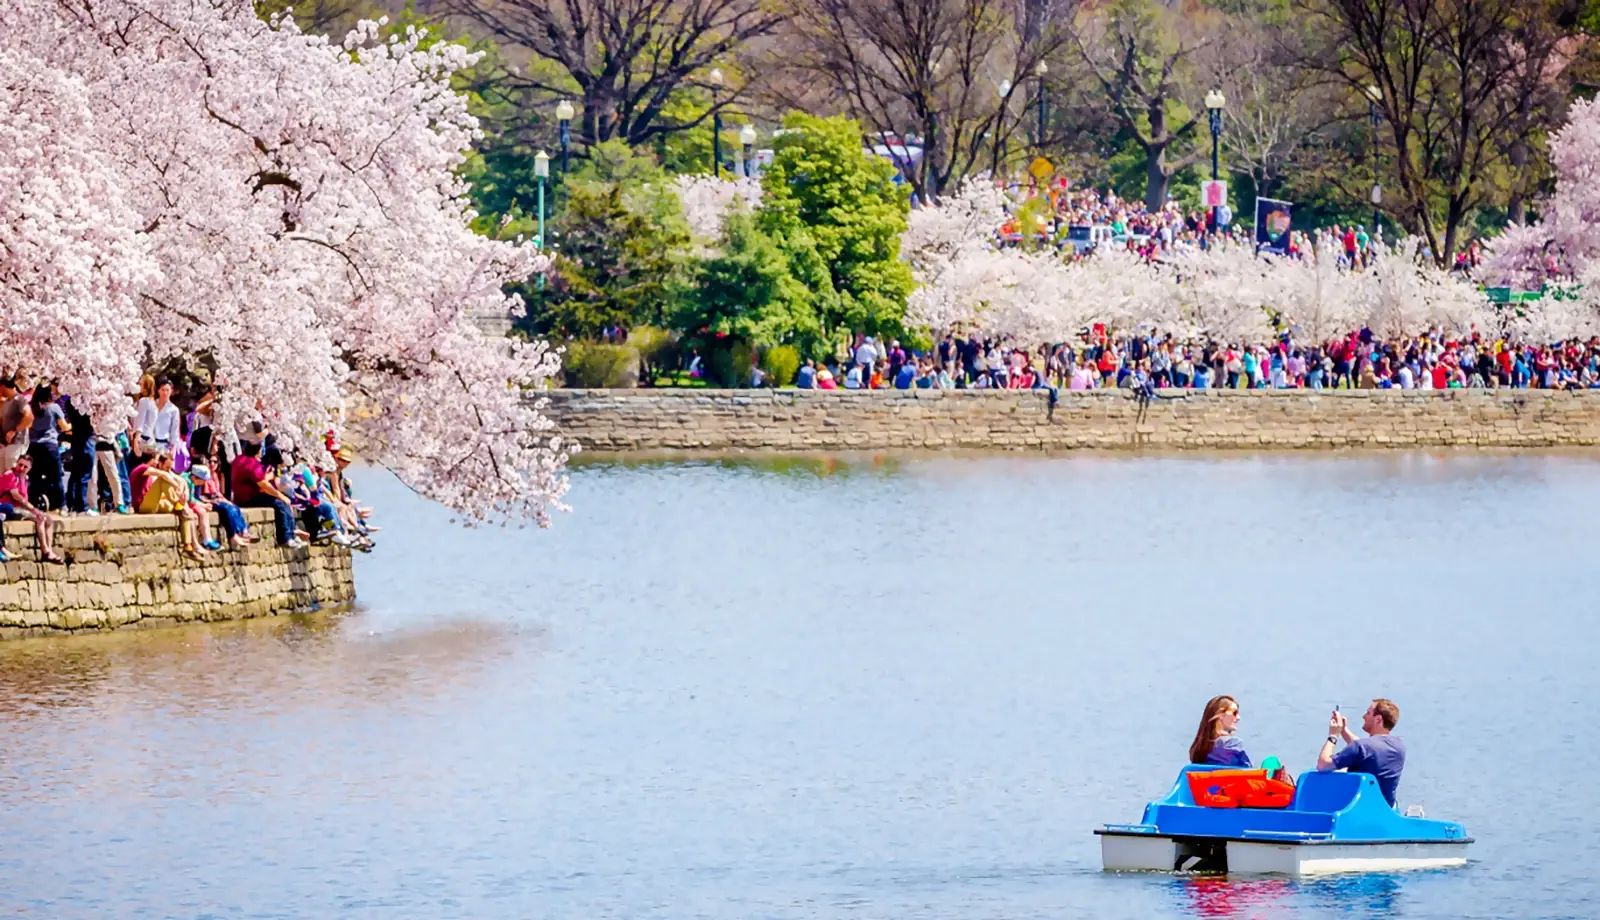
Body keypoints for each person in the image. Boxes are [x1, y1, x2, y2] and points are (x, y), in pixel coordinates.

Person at [1317, 699, 1406, 807]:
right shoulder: (1399, 746)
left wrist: (1333, 735)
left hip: (1358, 809)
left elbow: (1322, 765)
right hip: (1385, 809)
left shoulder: (1362, 747)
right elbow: (1367, 749)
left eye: (1368, 713)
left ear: (1378, 719)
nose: (1364, 716)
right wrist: (1343, 730)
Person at [231, 440, 305, 548]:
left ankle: (292, 534)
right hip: (248, 498)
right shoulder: (252, 464)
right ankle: (285, 538)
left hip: (243, 496)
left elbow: (258, 479)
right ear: (257, 451)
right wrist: (281, 495)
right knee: (280, 503)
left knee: (284, 503)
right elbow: (264, 485)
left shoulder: (239, 459)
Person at [0, 455, 63, 563]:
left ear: (29, 468)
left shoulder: (25, 479)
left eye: (25, 467)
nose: (22, 468)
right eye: (20, 465)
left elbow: (24, 499)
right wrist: (34, 510)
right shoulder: (9, 475)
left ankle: (50, 550)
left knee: (48, 519)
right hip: (8, 509)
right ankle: (45, 551)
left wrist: (34, 510)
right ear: (16, 463)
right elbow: (17, 497)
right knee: (39, 518)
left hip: (19, 510)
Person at [25, 382, 70, 512]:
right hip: (50, 446)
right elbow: (64, 427)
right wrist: (72, 426)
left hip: (33, 447)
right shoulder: (54, 407)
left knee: (34, 478)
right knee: (56, 477)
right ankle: (61, 505)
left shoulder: (30, 407)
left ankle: (33, 505)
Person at [1189, 695, 1252, 767]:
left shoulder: (1199, 747)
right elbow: (1248, 771)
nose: (1238, 718)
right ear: (1220, 714)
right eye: (1234, 713)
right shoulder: (1233, 743)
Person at [0, 374, 32, 473]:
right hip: (5, 444)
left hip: (17, 443)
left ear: (3, 387)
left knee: (12, 473)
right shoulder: (6, 402)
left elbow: (29, 417)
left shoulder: (20, 399)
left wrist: (14, 430)